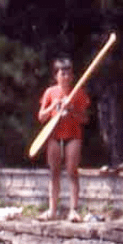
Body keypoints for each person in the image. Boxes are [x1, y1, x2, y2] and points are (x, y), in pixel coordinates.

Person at [36, 56, 91, 221]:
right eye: (62, 73)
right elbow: (41, 117)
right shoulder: (50, 92)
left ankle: (73, 210)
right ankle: (52, 210)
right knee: (54, 172)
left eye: (68, 74)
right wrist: (54, 106)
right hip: (53, 135)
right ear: (56, 76)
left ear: (72, 76)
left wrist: (72, 109)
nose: (65, 77)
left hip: (73, 135)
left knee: (72, 171)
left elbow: (85, 119)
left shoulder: (78, 92)